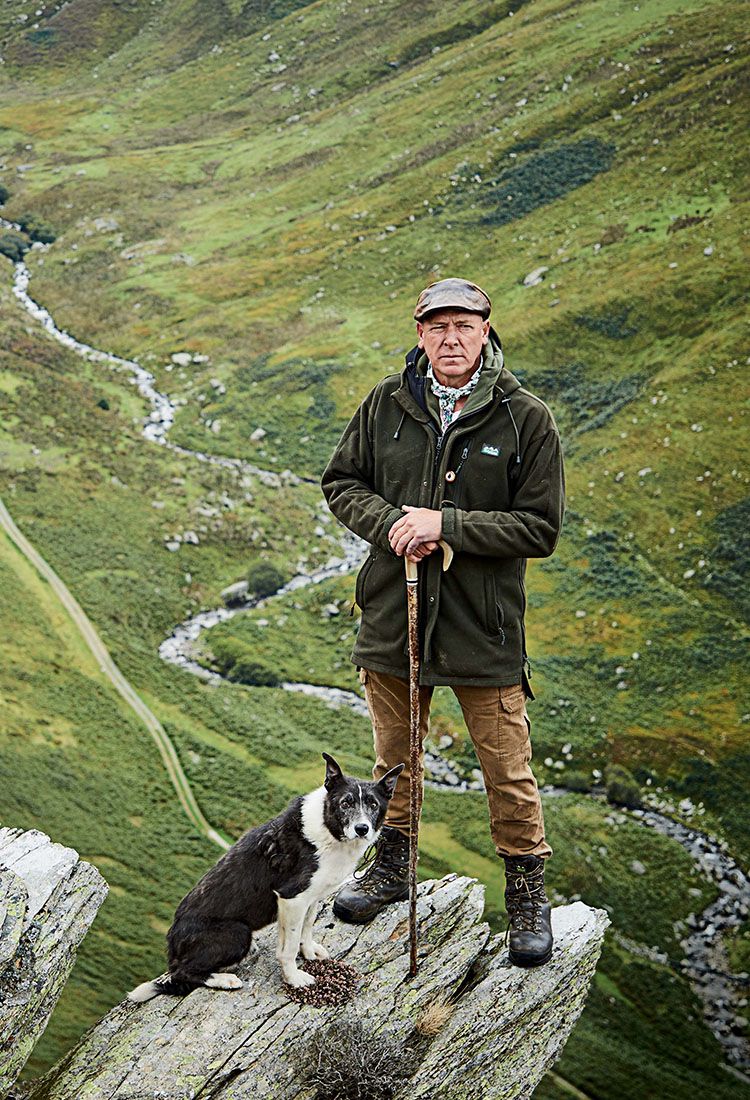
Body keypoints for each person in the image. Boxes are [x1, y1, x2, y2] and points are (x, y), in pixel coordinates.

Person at [321, 278, 565, 967]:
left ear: (487, 330)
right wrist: (395, 524)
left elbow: (541, 527)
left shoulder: (526, 418)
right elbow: (342, 483)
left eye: (464, 326)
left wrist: (447, 524)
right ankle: (392, 873)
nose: (450, 339)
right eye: (438, 327)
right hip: (392, 616)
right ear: (421, 332)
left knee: (507, 769)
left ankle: (526, 895)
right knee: (394, 761)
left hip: (483, 629)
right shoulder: (386, 405)